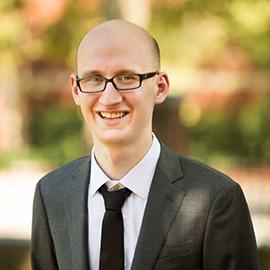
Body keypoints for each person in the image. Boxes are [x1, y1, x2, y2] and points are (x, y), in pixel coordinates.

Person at [31, 20, 260, 270]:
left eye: (127, 77)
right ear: (76, 90)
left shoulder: (217, 199)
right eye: (95, 79)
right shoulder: (51, 194)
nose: (109, 98)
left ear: (160, 87)